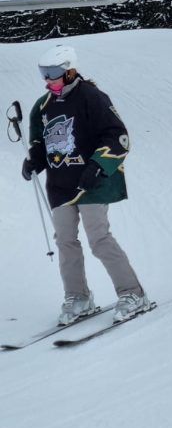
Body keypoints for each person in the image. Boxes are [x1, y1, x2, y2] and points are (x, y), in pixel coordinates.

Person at [21, 43, 149, 326]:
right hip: (60, 185)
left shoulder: (92, 97)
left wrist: (98, 165)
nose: (48, 79)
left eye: (53, 73)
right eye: (44, 73)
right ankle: (78, 296)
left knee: (99, 239)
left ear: (69, 71)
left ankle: (132, 293)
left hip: (91, 182)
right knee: (65, 241)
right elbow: (40, 143)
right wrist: (33, 162)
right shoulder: (42, 106)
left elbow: (117, 136)